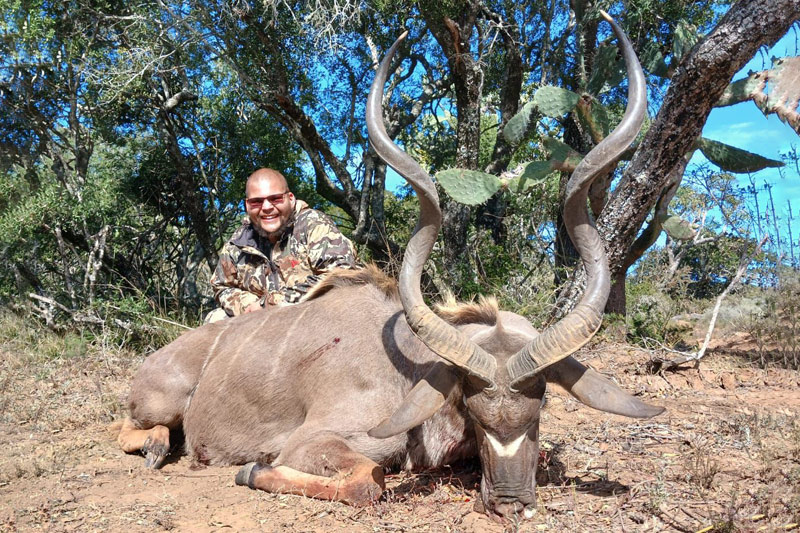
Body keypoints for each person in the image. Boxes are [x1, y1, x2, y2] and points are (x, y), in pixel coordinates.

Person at [204, 168, 359, 323]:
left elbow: (342, 274)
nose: (266, 207)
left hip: (314, 317)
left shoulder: (313, 224)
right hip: (263, 324)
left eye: (275, 199)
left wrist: (269, 304)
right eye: (256, 201)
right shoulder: (238, 242)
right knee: (216, 319)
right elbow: (221, 286)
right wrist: (248, 305)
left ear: (290, 198)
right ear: (247, 205)